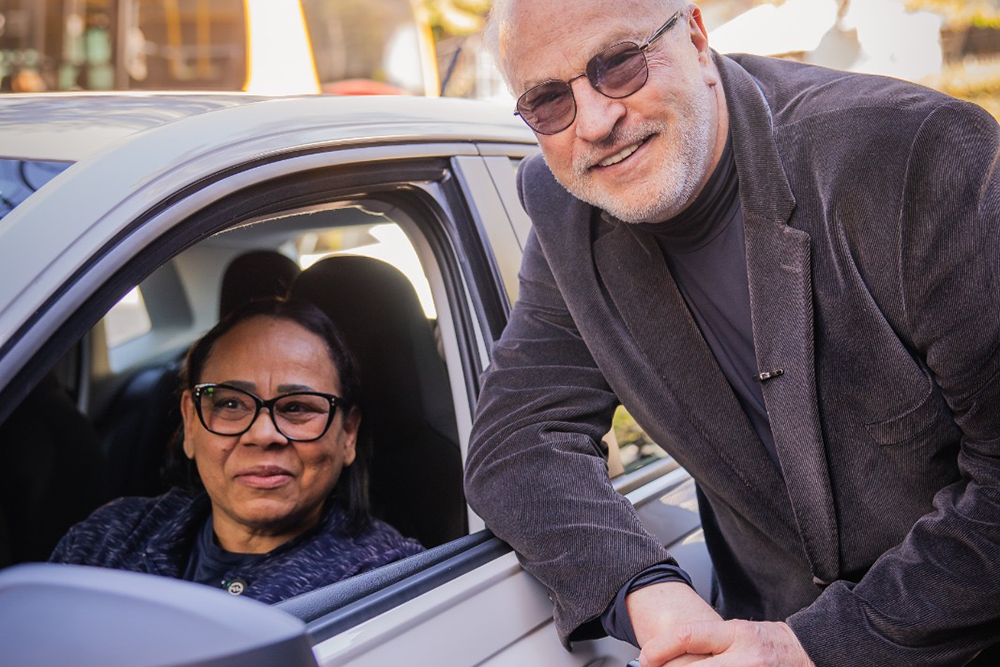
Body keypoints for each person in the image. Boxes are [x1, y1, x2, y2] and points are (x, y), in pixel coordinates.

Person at [464, 1, 1000, 666]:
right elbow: (517, 439)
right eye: (548, 101)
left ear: (695, 36)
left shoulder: (914, 151)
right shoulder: (566, 204)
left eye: (620, 64)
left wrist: (809, 646)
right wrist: (652, 595)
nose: (596, 123)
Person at [51, 298, 423, 602]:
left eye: (297, 407)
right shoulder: (106, 539)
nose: (262, 435)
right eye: (230, 404)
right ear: (190, 424)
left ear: (348, 435)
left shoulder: (390, 585)